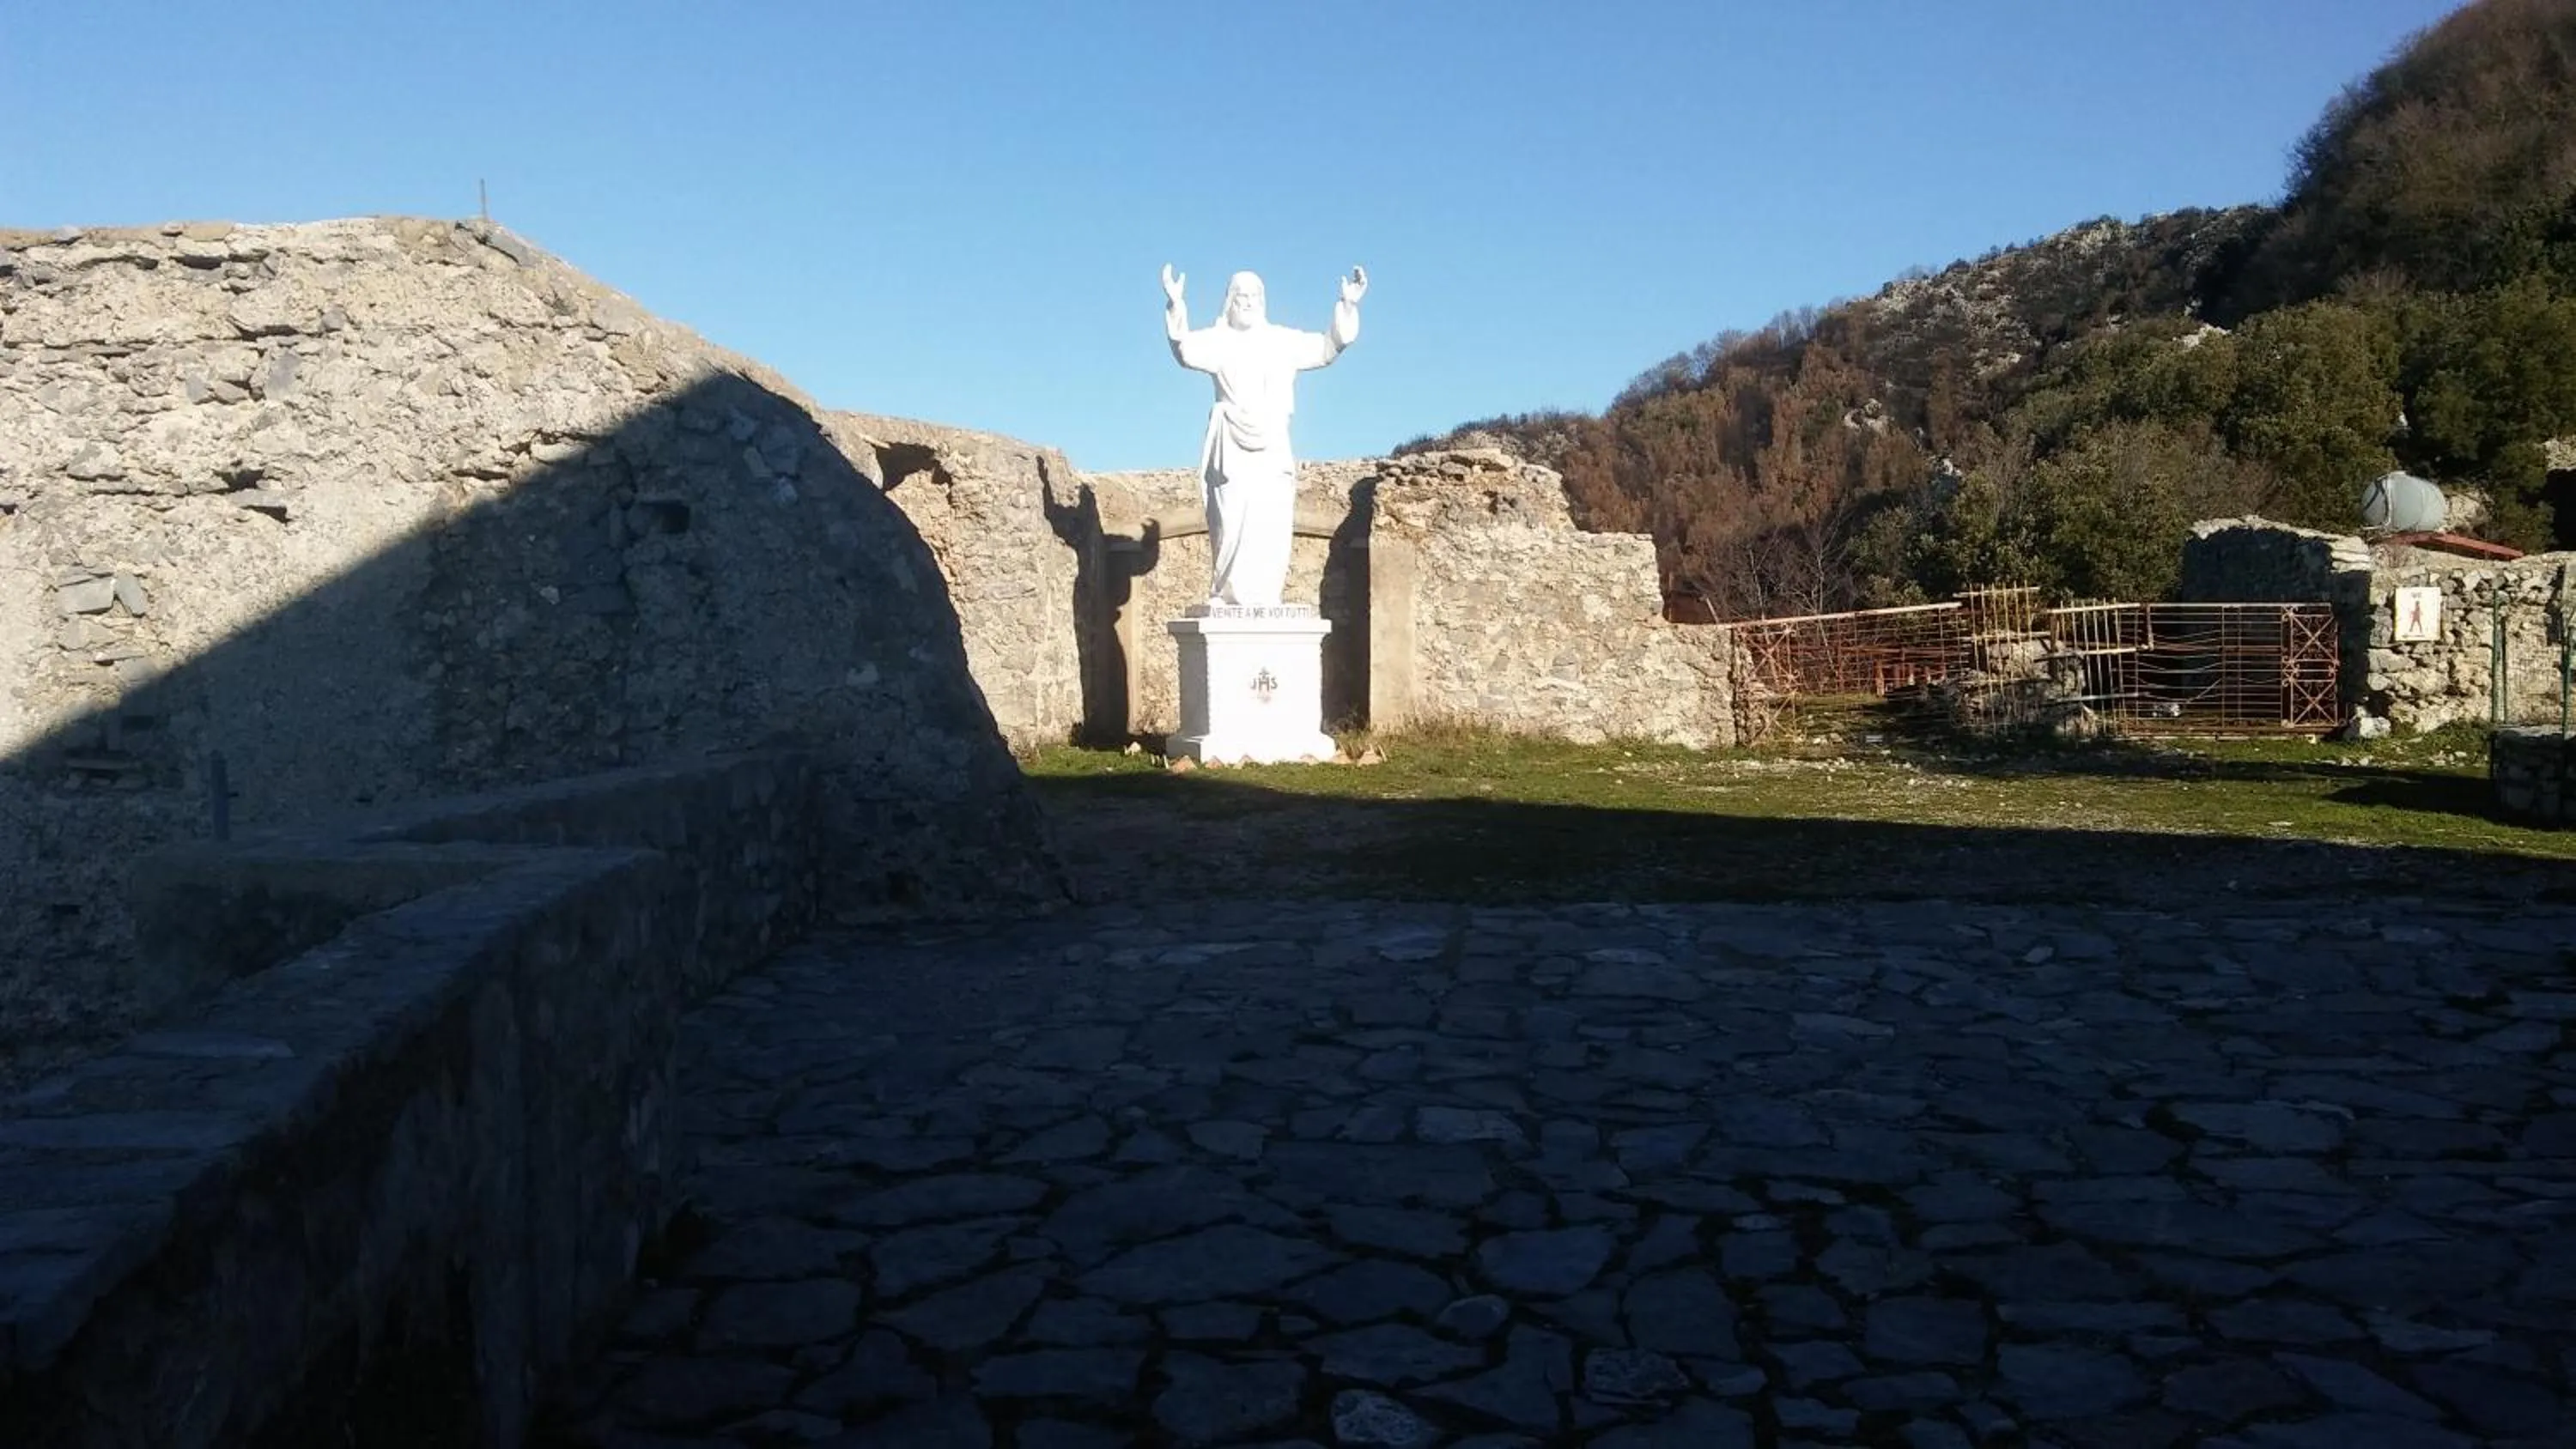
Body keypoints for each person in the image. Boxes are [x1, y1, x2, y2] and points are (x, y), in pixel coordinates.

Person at [1162, 264, 1366, 607]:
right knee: (1231, 515)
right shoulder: (1218, 340)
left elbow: (1327, 348)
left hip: (1271, 440)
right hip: (1231, 443)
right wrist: (1176, 305)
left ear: (1263, 300)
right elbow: (1184, 349)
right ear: (1229, 300)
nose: (1248, 301)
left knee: (1270, 516)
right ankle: (1230, 594)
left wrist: (1347, 305)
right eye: (1240, 295)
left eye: (1254, 295)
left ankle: (1265, 595)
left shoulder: (1282, 341)